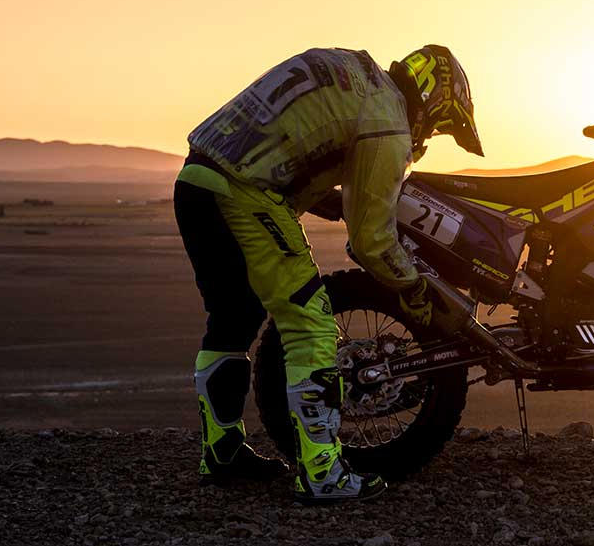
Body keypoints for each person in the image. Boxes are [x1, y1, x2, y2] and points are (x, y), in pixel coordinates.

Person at [173, 45, 480, 503]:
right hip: (243, 191)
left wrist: (333, 197)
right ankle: (323, 474)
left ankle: (222, 453)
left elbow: (294, 139)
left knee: (232, 319)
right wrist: (414, 288)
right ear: (434, 97)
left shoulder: (357, 74)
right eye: (438, 123)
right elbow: (373, 245)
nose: (429, 135)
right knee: (311, 322)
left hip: (195, 180)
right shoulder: (388, 119)